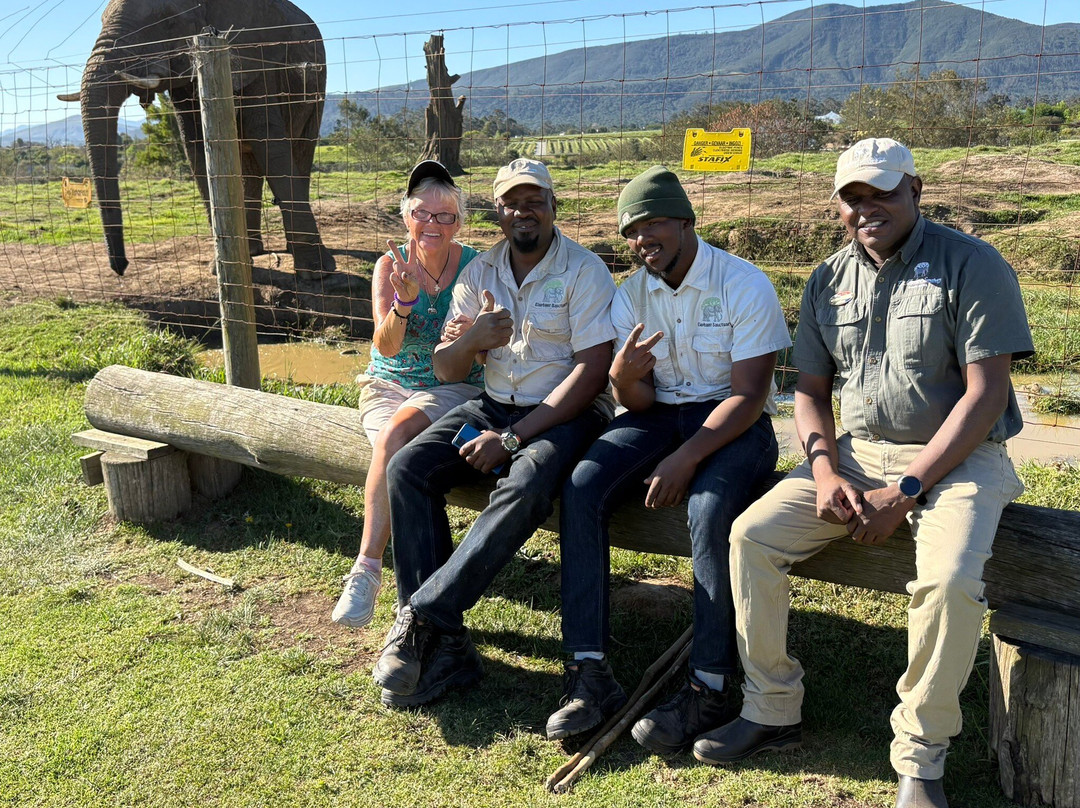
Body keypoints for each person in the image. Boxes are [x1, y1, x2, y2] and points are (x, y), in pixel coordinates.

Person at [699, 139, 1033, 808]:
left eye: (881, 191)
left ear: (916, 188)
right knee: (751, 537)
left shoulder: (971, 264)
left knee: (949, 582)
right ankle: (771, 708)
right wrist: (824, 471)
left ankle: (920, 755)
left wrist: (907, 491)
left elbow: (985, 396)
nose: (866, 207)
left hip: (961, 457)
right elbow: (811, 393)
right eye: (853, 196)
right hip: (855, 451)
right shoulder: (827, 278)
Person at [544, 166, 792, 751]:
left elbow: (751, 395)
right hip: (659, 416)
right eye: (631, 230)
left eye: (652, 222)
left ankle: (709, 685)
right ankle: (588, 672)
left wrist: (686, 458)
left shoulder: (742, 283)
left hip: (736, 424)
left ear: (685, 220)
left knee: (709, 509)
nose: (641, 239)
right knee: (582, 486)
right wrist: (623, 379)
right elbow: (638, 402)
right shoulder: (632, 295)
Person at [372, 158, 618, 708]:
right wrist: (472, 338)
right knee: (408, 468)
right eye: (512, 202)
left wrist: (513, 439)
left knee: (527, 484)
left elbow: (593, 371)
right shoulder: (480, 272)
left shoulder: (584, 270)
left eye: (535, 200)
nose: (523, 211)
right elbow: (447, 371)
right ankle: (445, 653)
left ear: (554, 207)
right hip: (492, 404)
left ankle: (422, 617)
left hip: (566, 413)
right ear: (499, 212)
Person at [332, 161, 484, 628]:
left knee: (395, 441)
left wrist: (470, 335)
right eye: (422, 213)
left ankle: (368, 570)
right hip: (388, 383)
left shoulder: (478, 266)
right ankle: (420, 601)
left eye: (444, 216)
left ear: (460, 221)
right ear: (406, 217)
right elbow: (385, 345)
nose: (432, 224)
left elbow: (487, 352)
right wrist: (403, 302)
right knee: (403, 457)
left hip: (448, 387)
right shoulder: (390, 264)